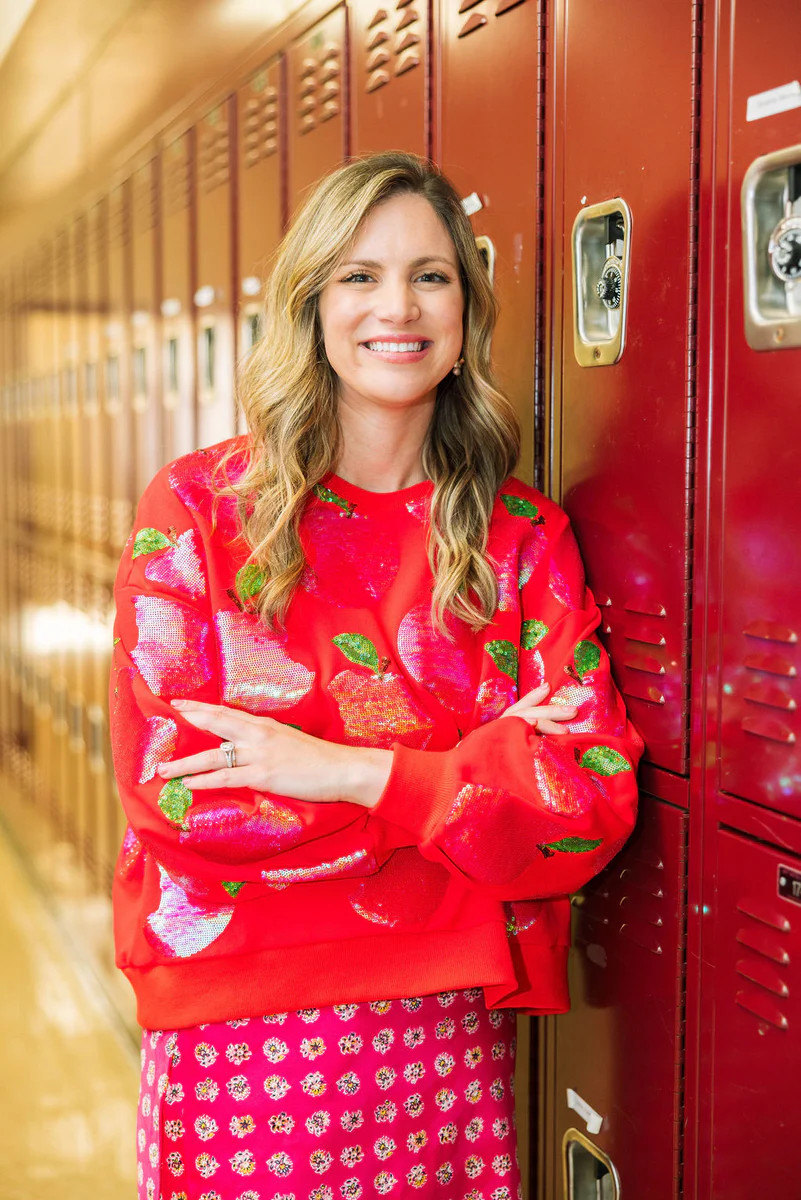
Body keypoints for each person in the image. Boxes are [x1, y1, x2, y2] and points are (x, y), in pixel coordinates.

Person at [110, 150, 642, 1200]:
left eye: (431, 275)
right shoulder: (200, 514)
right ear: (311, 303)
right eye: (359, 275)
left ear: (465, 309)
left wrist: (343, 772)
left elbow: (585, 805)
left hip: (445, 1022)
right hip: (239, 1021)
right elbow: (180, 801)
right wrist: (470, 772)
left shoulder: (519, 537)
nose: (396, 306)